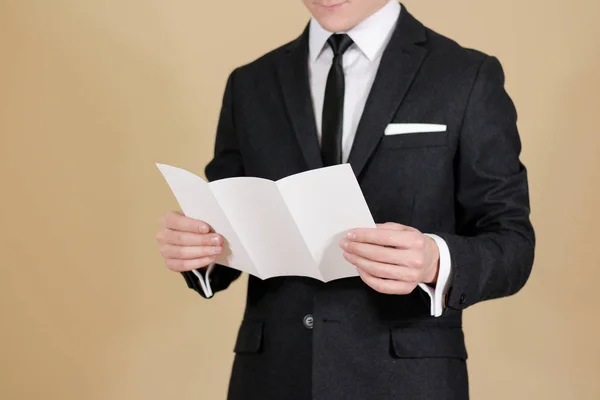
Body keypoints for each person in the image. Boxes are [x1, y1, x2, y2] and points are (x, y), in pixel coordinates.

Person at [155, 1, 535, 399]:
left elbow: (513, 242)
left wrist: (434, 260)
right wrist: (197, 247)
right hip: (271, 376)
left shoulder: (465, 75)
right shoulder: (250, 83)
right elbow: (228, 226)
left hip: (407, 382)